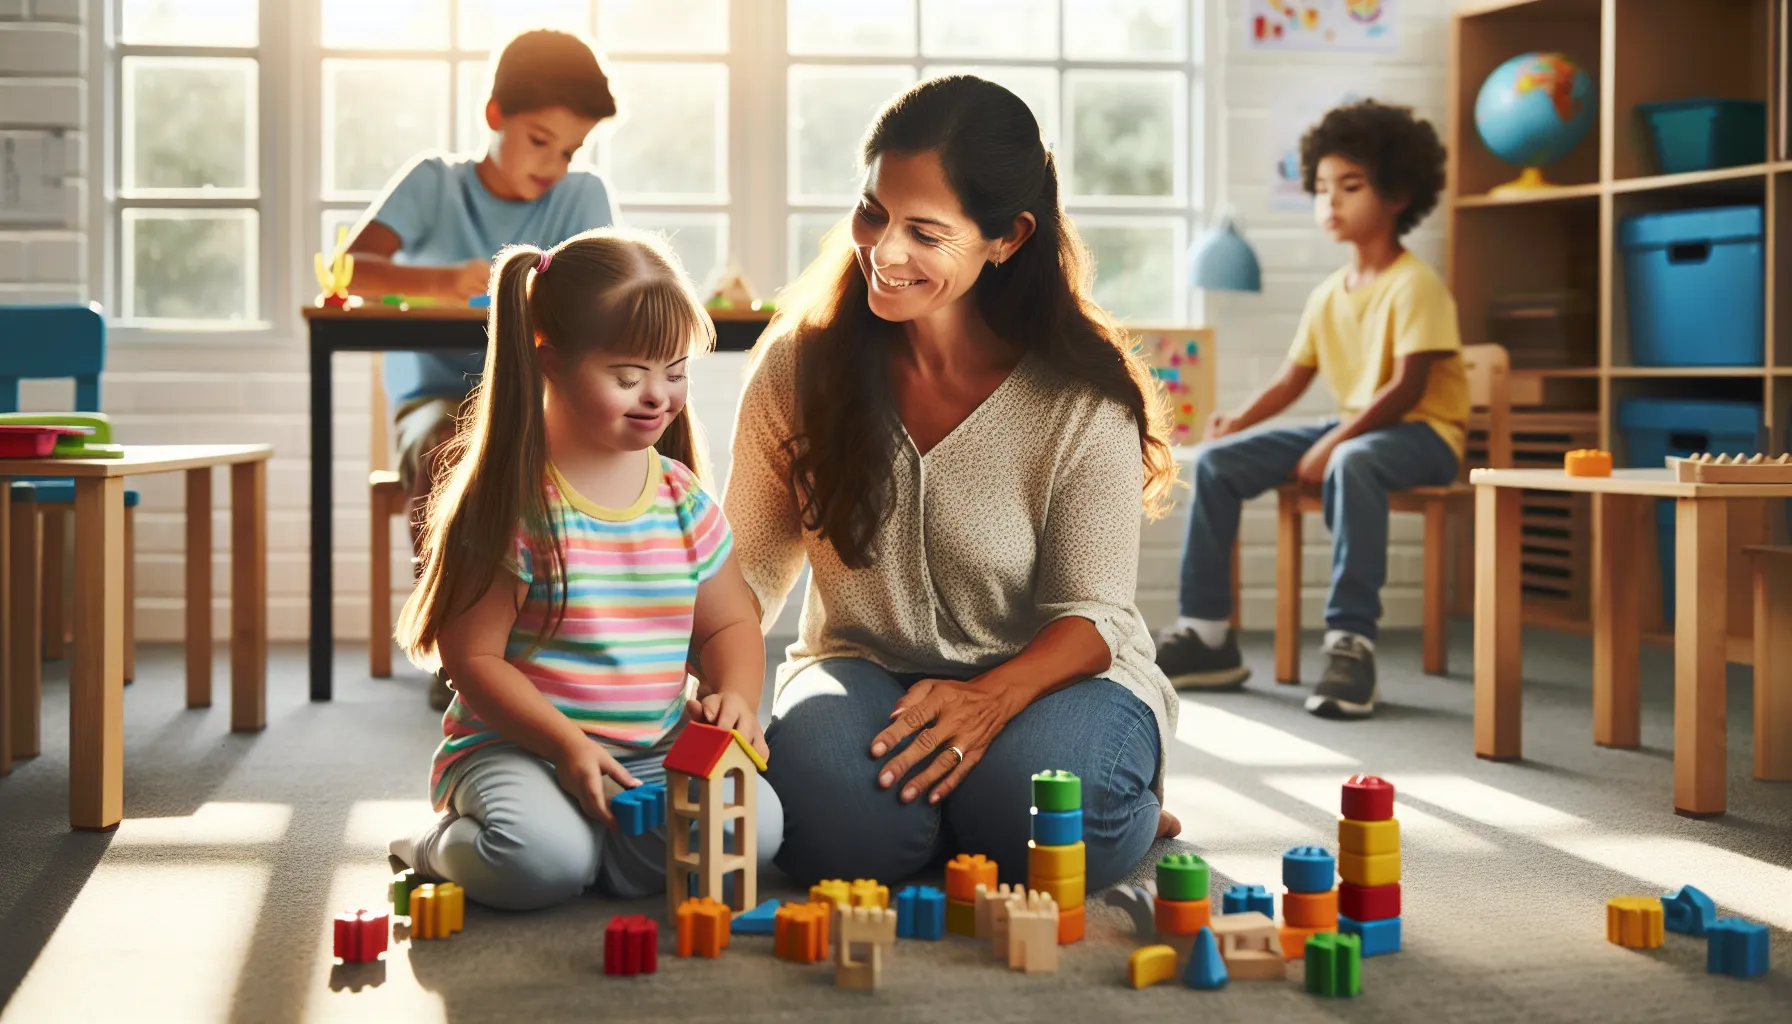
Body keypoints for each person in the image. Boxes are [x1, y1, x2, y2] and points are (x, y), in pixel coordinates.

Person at [724, 76, 1182, 894]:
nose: (883, 251)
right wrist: (701, 688)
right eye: (873, 212)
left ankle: (1125, 803)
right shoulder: (801, 364)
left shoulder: (1081, 393)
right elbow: (748, 565)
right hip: (861, 668)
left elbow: (1095, 616)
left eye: (924, 232)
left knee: (1052, 832)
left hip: (1050, 677)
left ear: (1007, 237)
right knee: (833, 836)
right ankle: (943, 812)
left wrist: (989, 703)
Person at [386, 229, 776, 912]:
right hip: (520, 748)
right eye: (628, 377)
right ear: (552, 363)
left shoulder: (681, 498)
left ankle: (598, 853)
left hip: (652, 750)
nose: (658, 395)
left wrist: (738, 695)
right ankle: (436, 848)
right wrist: (566, 744)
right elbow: (472, 656)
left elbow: (730, 623)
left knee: (757, 828)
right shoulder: (514, 504)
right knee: (540, 861)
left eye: (675, 372)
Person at [1155, 99, 1465, 719]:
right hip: (1360, 431)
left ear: (1398, 192)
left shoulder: (1416, 284)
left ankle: (1351, 643)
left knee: (1351, 459)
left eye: (1349, 187)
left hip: (1423, 435)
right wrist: (1235, 423)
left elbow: (1406, 388)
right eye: (1322, 189)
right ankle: (1209, 634)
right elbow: (1292, 378)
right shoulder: (1330, 295)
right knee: (1216, 462)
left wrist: (1331, 443)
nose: (1331, 202)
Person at [343, 29, 619, 709]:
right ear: (494, 116)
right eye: (538, 140)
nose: (554, 164)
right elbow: (349, 269)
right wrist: (448, 281)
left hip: (542, 400)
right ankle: (462, 647)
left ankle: (581, 641)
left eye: (570, 149)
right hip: (437, 398)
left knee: (618, 445)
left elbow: (606, 293)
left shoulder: (582, 196)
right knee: (452, 452)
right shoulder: (433, 183)